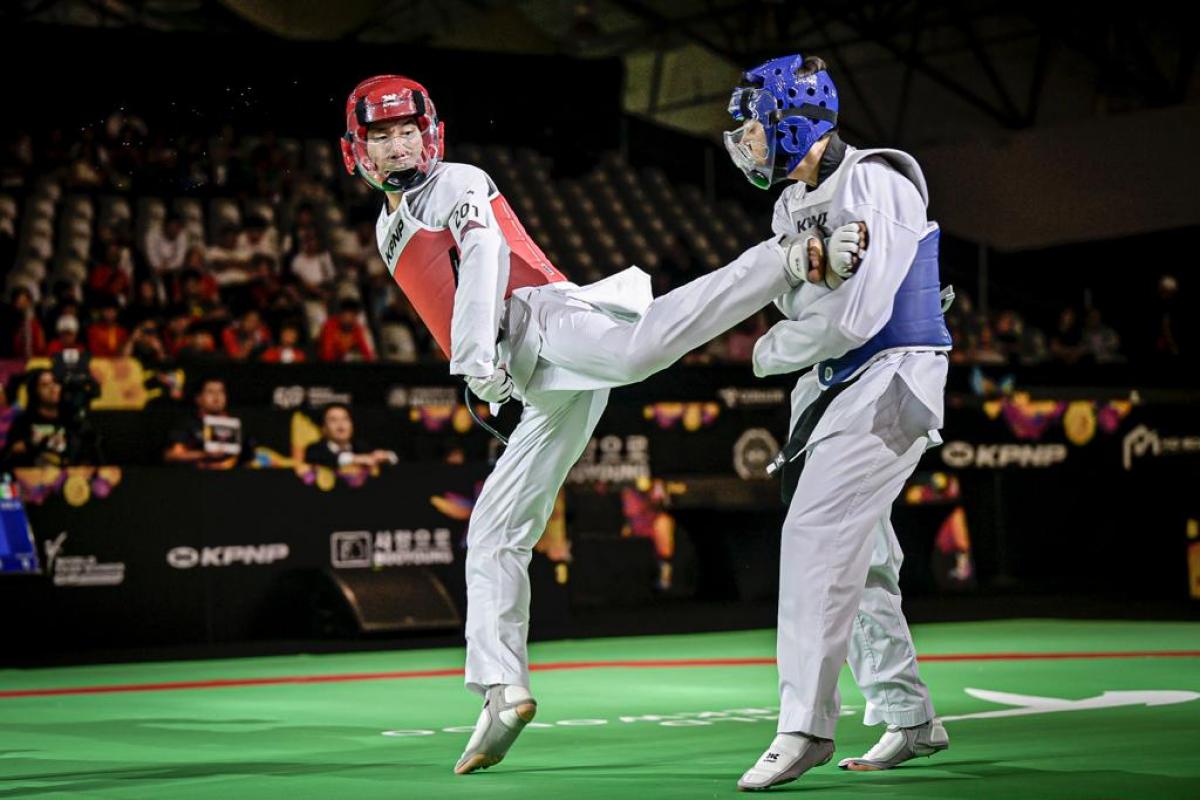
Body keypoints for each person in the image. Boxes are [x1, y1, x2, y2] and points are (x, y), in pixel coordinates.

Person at [342, 75, 809, 774]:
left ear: (430, 131)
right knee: (495, 531)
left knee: (640, 349)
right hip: (534, 378)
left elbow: (486, 255)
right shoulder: (387, 225)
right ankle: (502, 691)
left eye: (407, 129)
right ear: (359, 150)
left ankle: (783, 259)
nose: (399, 143)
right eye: (382, 135)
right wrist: (481, 364)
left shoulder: (458, 180)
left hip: (544, 321)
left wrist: (474, 361)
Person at [723, 54, 951, 791]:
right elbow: (801, 305)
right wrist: (810, 284)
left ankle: (805, 726)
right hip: (831, 386)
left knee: (817, 534)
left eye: (756, 129)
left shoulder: (876, 184)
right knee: (866, 554)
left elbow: (855, 318)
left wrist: (765, 351)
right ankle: (909, 716)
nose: (748, 145)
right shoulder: (790, 209)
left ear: (797, 123)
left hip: (893, 376)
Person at [1, 369, 100, 468]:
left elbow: (93, 457)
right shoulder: (23, 422)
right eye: (44, 385)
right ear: (35, 392)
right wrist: (25, 445)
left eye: (55, 383)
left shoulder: (74, 420)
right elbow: (8, 457)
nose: (52, 388)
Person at [163, 377, 251, 468]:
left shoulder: (236, 423)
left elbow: (248, 459)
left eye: (221, 392)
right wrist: (204, 455)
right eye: (210, 392)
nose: (217, 397)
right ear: (198, 398)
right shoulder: (187, 423)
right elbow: (171, 455)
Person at [303, 403, 397, 468]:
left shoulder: (361, 446)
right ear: (323, 429)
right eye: (333, 420)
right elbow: (329, 460)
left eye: (345, 419)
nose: (341, 425)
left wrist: (385, 456)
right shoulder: (314, 450)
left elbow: (394, 458)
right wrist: (355, 459)